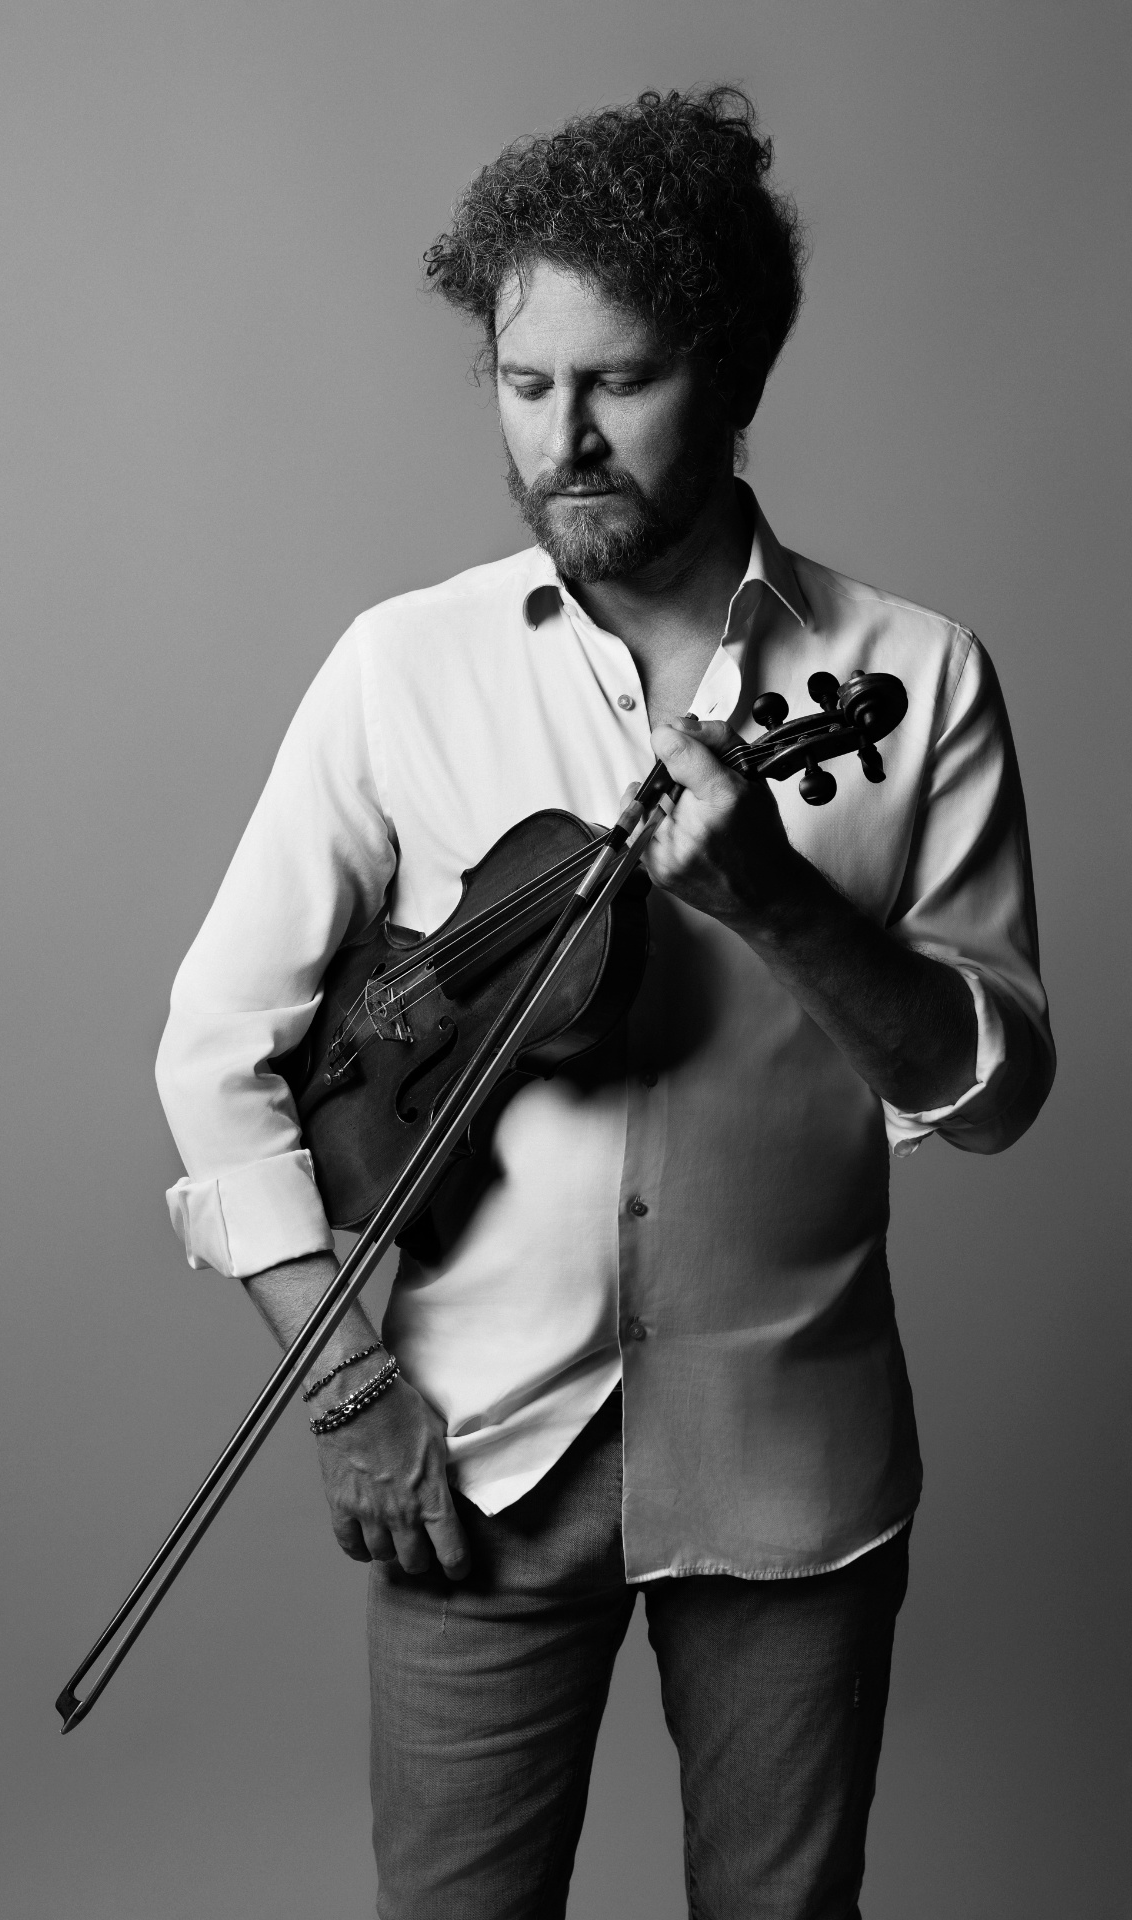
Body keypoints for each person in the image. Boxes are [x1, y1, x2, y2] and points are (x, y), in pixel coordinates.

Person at [155, 87, 1053, 1920]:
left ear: (728, 377)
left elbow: (993, 1087)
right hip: (469, 1454)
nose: (562, 437)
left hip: (794, 1457)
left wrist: (782, 903)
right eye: (521, 380)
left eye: (618, 382)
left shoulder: (914, 675)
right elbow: (214, 1057)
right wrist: (345, 1386)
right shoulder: (401, 668)